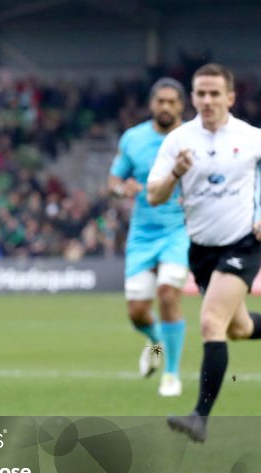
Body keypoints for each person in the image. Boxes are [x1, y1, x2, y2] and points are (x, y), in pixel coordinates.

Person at [147, 64, 261, 443]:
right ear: (192, 98)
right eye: (201, 94)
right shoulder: (178, 141)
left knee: (212, 323)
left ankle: (199, 416)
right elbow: (153, 195)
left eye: (215, 94)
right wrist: (175, 173)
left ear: (230, 97)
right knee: (239, 327)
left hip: (243, 244)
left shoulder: (250, 137)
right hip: (202, 251)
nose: (208, 100)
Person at [108, 78, 189, 398]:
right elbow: (114, 178)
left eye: (172, 102)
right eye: (161, 101)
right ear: (152, 104)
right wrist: (120, 188)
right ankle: (155, 341)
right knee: (137, 312)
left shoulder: (193, 138)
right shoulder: (134, 138)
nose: (166, 107)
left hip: (179, 231)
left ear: (182, 105)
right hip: (142, 234)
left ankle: (171, 374)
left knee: (168, 294)